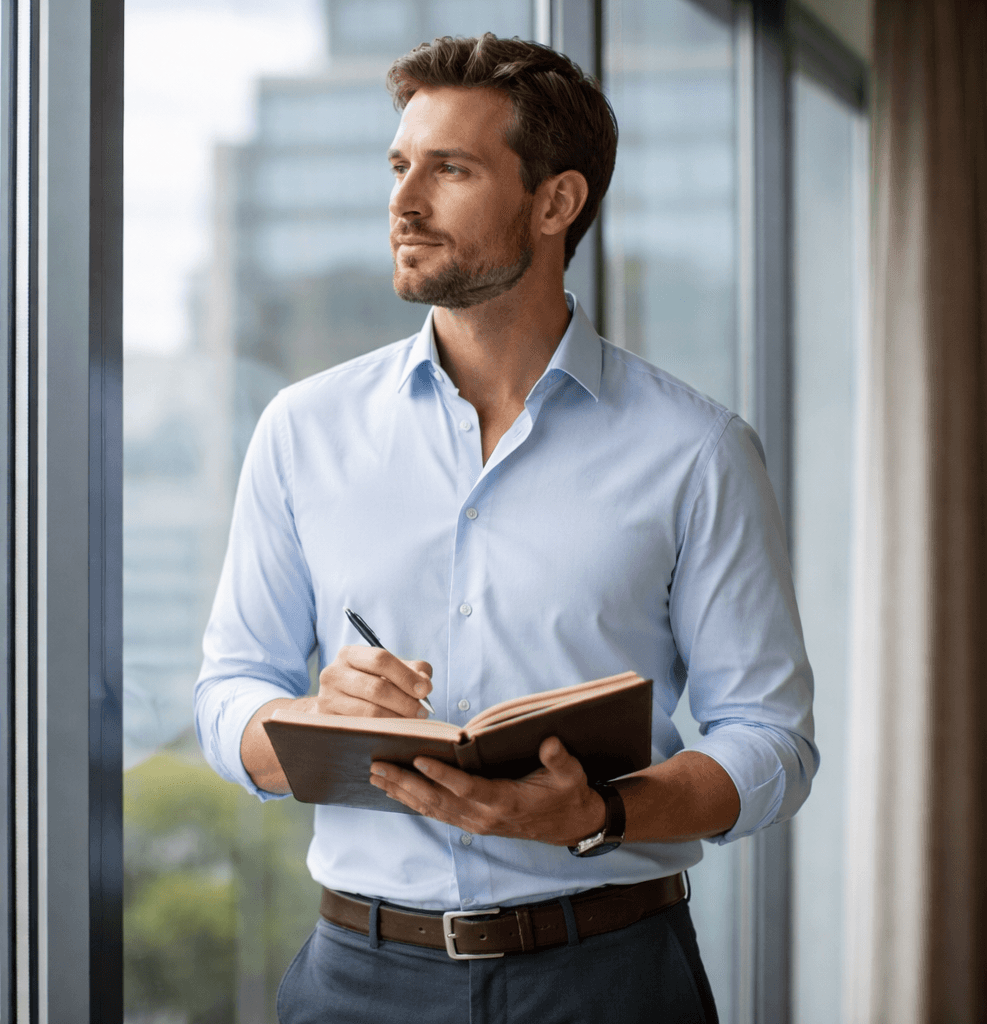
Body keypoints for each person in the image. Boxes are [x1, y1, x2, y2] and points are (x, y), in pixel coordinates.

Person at [193, 33, 817, 1024]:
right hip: (356, 981)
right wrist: (312, 721)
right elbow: (227, 694)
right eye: (400, 165)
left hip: (610, 976)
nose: (403, 203)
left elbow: (771, 741)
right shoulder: (302, 430)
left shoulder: (697, 450)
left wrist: (603, 812)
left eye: (451, 169)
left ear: (557, 202)